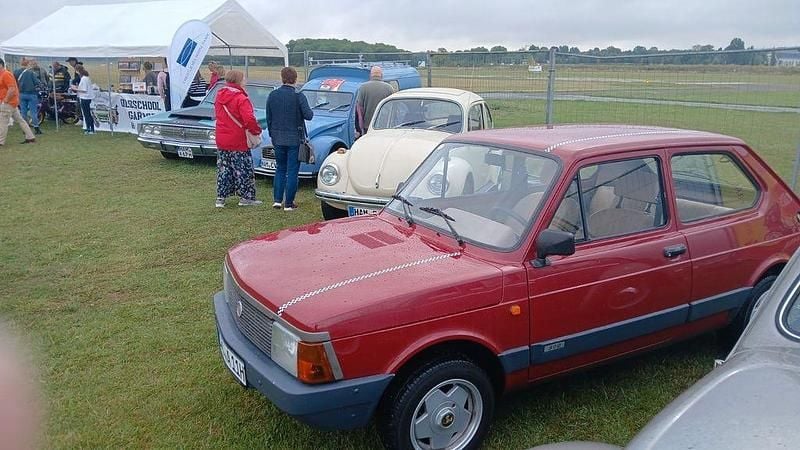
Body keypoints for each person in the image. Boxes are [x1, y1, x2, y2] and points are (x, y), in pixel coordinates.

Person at [266, 66, 313, 211]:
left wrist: (272, 134)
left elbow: (269, 117)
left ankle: (277, 200)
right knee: (292, 171)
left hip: (277, 136)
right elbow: (309, 115)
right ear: (295, 79)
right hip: (294, 137)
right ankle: (289, 203)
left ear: (282, 78)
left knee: (280, 168)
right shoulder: (299, 96)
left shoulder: (273, 95)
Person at [213, 69, 262, 207]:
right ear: (239, 80)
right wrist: (256, 130)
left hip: (222, 137)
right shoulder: (241, 98)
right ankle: (246, 197)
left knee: (224, 169)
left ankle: (221, 197)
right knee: (243, 169)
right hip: (238, 138)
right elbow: (249, 119)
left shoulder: (219, 96)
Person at [0, 58, 36, 146]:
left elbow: (12, 88)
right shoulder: (3, 74)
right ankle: (30, 137)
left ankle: (1, 141)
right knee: (20, 120)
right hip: (11, 102)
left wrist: (5, 100)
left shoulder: (6, 74)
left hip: (8, 102)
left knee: (3, 122)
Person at [355, 66, 394, 136]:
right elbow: (393, 108)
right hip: (385, 125)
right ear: (381, 75)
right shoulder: (389, 88)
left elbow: (360, 109)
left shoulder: (363, 87)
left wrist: (361, 127)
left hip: (368, 126)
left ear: (370, 75)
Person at [13, 58, 43, 135]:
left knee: (23, 112)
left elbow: (14, 82)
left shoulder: (16, 72)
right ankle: (36, 128)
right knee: (33, 112)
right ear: (28, 64)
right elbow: (37, 82)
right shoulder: (31, 73)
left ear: (20, 63)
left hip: (21, 94)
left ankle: (25, 129)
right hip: (32, 94)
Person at [70, 66, 95, 135]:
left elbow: (84, 90)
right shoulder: (87, 78)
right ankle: (91, 129)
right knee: (88, 114)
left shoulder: (84, 79)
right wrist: (77, 87)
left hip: (85, 98)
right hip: (87, 98)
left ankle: (89, 129)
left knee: (86, 114)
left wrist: (75, 89)